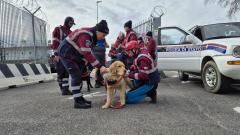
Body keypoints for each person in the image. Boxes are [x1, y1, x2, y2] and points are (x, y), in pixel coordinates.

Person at [58, 20, 109, 109]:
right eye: (103, 35)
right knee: (75, 74)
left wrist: (85, 62)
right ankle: (77, 101)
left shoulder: (93, 37)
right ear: (98, 31)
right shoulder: (86, 35)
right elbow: (87, 53)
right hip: (66, 53)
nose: (103, 37)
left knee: (80, 74)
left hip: (74, 54)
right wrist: (100, 67)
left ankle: (80, 98)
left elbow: (87, 53)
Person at [51, 16, 75, 95]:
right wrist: (56, 54)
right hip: (59, 54)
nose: (71, 25)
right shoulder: (58, 29)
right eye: (70, 23)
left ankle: (65, 89)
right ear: (66, 22)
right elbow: (55, 42)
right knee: (60, 72)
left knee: (66, 72)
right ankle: (62, 88)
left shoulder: (71, 32)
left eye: (72, 24)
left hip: (67, 56)